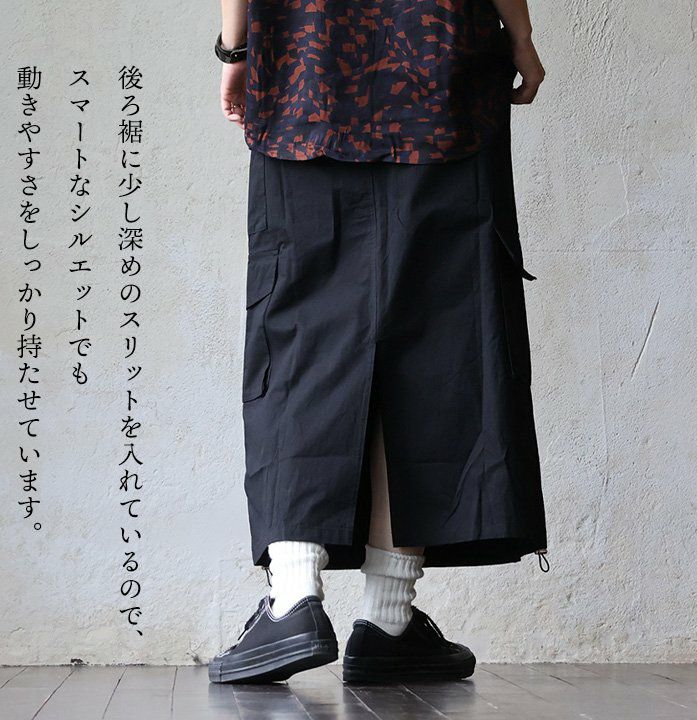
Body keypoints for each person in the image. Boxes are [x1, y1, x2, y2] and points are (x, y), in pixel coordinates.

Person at [209, 0, 548, 684]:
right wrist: (521, 35)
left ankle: (294, 598)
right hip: (443, 71)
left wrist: (235, 49)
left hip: (305, 75)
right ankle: (387, 617)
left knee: (301, 335)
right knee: (434, 339)